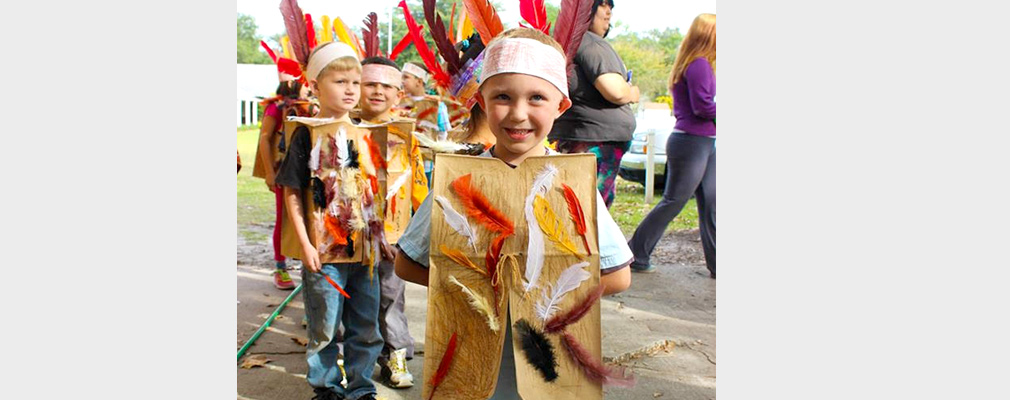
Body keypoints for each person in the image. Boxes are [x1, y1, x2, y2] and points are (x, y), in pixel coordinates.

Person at [394, 27, 633, 399]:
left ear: (561, 106)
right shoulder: (459, 178)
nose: (518, 114)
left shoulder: (573, 181)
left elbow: (618, 276)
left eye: (537, 97)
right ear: (482, 101)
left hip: (549, 358)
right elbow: (406, 263)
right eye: (502, 96)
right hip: (471, 353)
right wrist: (474, 286)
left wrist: (545, 290)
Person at [275, 41, 386, 400]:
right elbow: (292, 190)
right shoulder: (306, 134)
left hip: (365, 256)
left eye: (356, 81)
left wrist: (385, 240)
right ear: (316, 86)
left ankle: (361, 387)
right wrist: (306, 243)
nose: (351, 89)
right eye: (340, 81)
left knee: (365, 326)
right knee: (324, 326)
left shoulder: (368, 134)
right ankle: (325, 388)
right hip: (325, 255)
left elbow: (378, 194)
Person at [627, 13, 716, 278]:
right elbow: (702, 107)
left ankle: (717, 264)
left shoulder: (700, 64)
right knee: (674, 201)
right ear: (709, 34)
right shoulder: (699, 64)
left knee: (712, 203)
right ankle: (636, 253)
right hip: (691, 142)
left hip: (704, 142)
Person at [352, 55, 419, 389]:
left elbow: (417, 185)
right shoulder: (341, 128)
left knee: (392, 296)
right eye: (370, 83)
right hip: (348, 236)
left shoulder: (408, 137)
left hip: (394, 235)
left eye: (386, 86)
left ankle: (396, 354)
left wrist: (411, 236)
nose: (378, 91)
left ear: (398, 94)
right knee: (352, 300)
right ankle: (352, 361)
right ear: (356, 86)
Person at [548, 0, 640, 209]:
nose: (609, 13)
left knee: (580, 204)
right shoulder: (589, 43)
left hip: (584, 137)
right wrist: (632, 93)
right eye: (604, 6)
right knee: (590, 209)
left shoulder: (569, 44)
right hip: (596, 141)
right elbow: (615, 91)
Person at [255, 78, 311, 290]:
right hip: (283, 170)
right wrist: (270, 172)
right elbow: (265, 138)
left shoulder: (310, 105)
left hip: (307, 169)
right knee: (283, 217)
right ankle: (280, 266)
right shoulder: (277, 107)